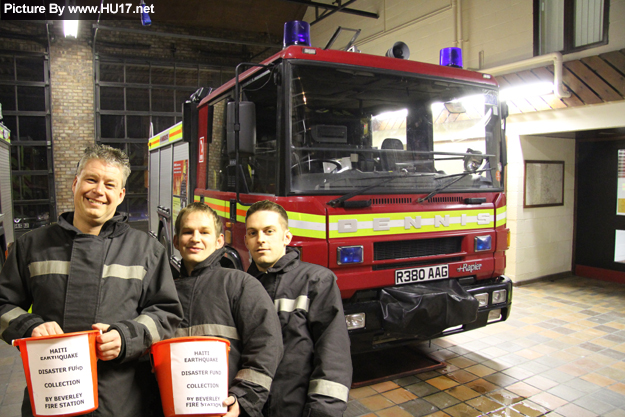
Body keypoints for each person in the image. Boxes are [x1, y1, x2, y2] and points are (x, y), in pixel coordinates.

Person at [0, 144, 183, 417]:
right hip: (51, 397)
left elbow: (167, 314)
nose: (99, 191)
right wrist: (30, 327)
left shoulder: (146, 250)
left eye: (110, 184)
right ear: (75, 183)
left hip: (121, 403)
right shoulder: (31, 246)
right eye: (91, 179)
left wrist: (125, 337)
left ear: (120, 195)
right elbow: (3, 304)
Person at [172, 202, 283, 417]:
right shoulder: (165, 291)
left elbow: (266, 346)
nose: (195, 238)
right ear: (176, 241)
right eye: (188, 232)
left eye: (204, 232)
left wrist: (243, 398)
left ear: (219, 241)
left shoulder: (240, 284)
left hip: (228, 411)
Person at [244, 200, 352, 417]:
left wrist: (322, 411)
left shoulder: (316, 281)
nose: (261, 239)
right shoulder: (242, 286)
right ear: (246, 241)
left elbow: (332, 353)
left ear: (287, 237)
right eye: (253, 233)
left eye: (269, 231)